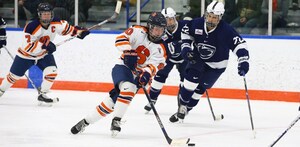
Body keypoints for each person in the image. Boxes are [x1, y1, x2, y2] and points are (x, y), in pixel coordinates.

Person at [70, 12, 167, 137]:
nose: (158, 32)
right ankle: (117, 120)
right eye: (155, 29)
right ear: (149, 26)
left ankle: (85, 121)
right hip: (122, 67)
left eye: (161, 29)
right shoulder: (138, 31)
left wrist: (146, 74)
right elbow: (120, 39)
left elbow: (154, 66)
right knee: (129, 87)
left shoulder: (161, 49)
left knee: (112, 102)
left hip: (138, 74)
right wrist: (128, 51)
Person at [169, 1, 250, 123]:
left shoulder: (226, 30)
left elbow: (240, 45)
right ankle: (182, 106)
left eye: (214, 17)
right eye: (209, 16)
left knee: (199, 90)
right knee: (190, 80)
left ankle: (186, 110)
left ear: (220, 18)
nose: (210, 20)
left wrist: (243, 61)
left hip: (217, 65)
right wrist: (186, 47)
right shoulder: (197, 23)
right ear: (206, 14)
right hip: (198, 58)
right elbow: (186, 32)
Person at [0, 3, 90, 104]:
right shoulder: (31, 27)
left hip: (43, 55)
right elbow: (28, 47)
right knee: (13, 77)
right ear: (39, 15)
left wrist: (79, 32)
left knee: (52, 71)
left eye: (48, 13)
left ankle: (42, 94)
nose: (46, 16)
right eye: (44, 14)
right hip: (26, 55)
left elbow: (67, 29)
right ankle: (1, 90)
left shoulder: (55, 22)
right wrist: (44, 45)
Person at [143, 7, 189, 112]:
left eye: (171, 19)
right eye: (167, 19)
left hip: (184, 58)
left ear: (175, 18)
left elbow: (194, 37)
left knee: (186, 80)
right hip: (167, 58)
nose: (169, 22)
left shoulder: (184, 26)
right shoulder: (159, 30)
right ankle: (152, 99)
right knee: (160, 76)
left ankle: (182, 104)